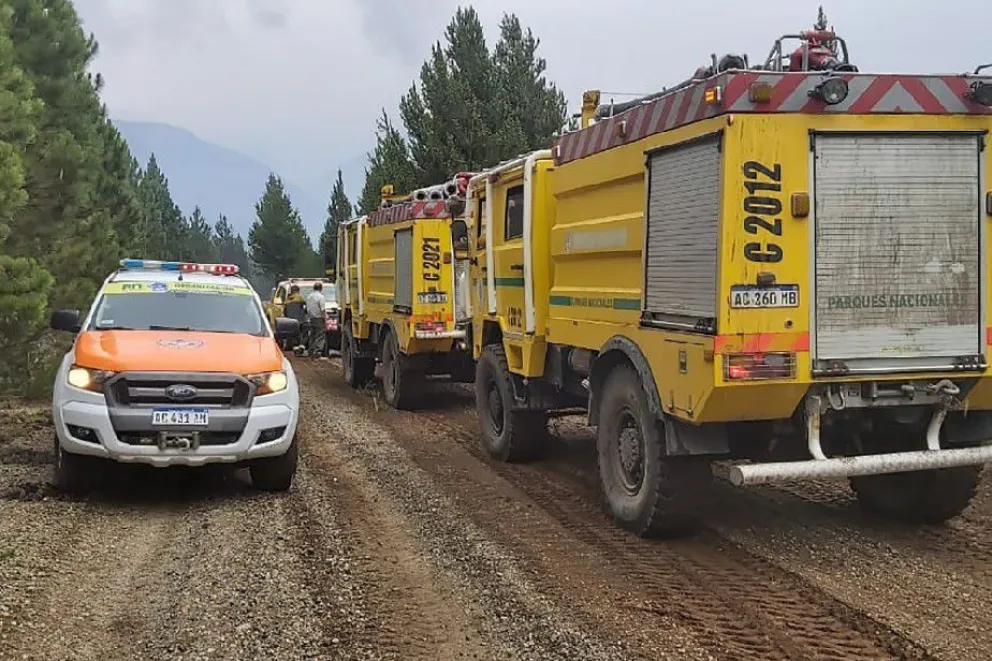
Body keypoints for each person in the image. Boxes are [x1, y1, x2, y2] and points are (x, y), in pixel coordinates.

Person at [304, 282, 327, 359]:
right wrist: (325, 318)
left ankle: (311, 351)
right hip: (319, 318)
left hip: (311, 318)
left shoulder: (309, 297)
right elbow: (322, 309)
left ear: (313, 288)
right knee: (320, 335)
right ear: (321, 288)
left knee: (312, 335)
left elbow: (307, 308)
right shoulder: (321, 297)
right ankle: (317, 352)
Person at [284, 285, 306, 352]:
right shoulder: (299, 298)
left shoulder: (287, 300)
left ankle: (290, 346)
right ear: (298, 291)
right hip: (299, 320)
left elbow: (284, 311)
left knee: (290, 334)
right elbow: (304, 305)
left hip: (289, 321)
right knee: (303, 332)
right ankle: (301, 346)